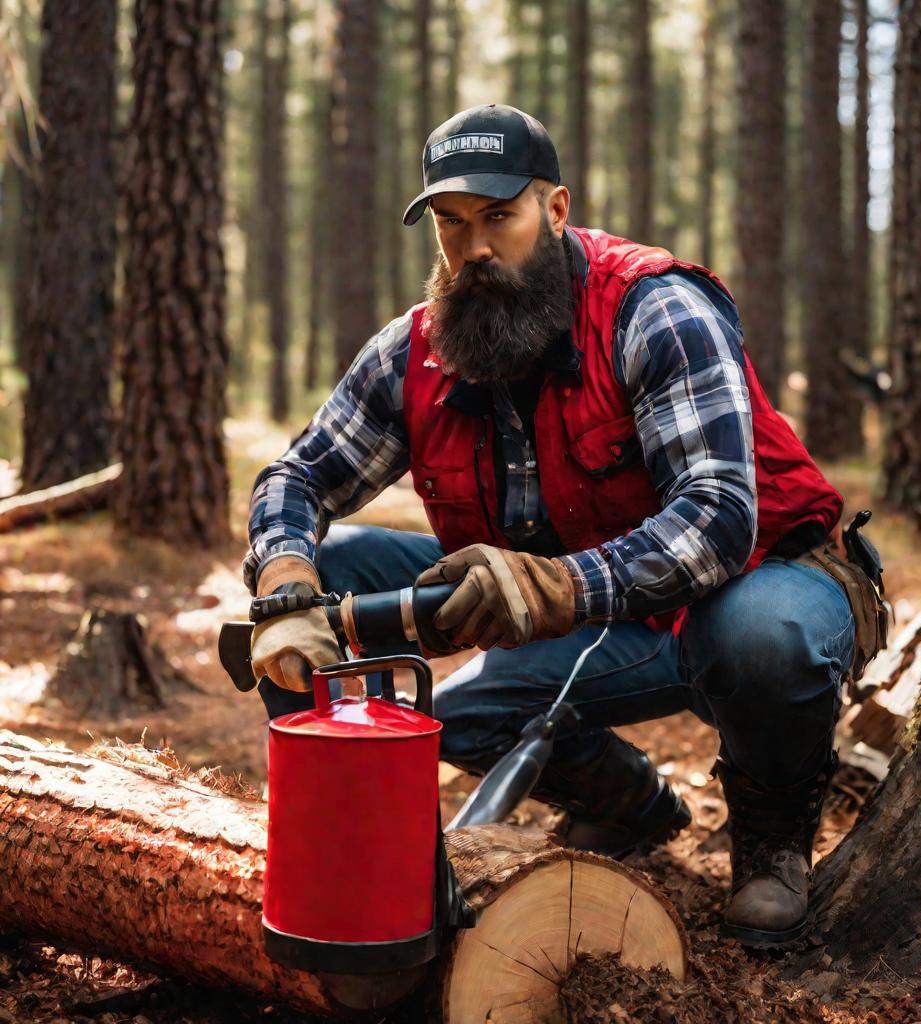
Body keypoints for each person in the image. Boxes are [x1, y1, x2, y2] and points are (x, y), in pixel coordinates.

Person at [243, 104, 885, 948]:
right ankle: (626, 804)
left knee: (762, 637)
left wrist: (553, 584)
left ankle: (771, 841)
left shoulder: (653, 310)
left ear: (554, 210)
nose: (473, 249)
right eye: (450, 224)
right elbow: (298, 476)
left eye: (498, 217)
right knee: (359, 587)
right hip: (599, 613)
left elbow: (719, 520)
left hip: (764, 580)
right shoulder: (416, 350)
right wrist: (285, 579)